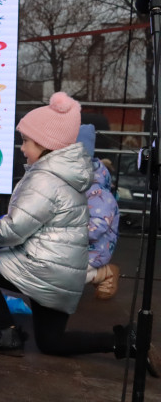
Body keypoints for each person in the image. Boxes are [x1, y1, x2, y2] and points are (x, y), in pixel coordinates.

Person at [0, 93, 158, 376]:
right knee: (52, 342)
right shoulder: (68, 173)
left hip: (43, 267)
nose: (22, 148)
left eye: (26, 141)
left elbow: (18, 227)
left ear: (45, 145)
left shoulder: (45, 177)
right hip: (60, 270)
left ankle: (8, 335)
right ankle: (125, 341)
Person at [78, 124, 120, 300]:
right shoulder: (75, 185)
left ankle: (105, 273)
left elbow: (99, 226)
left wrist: (67, 230)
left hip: (95, 249)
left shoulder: (99, 193)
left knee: (65, 275)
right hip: (77, 246)